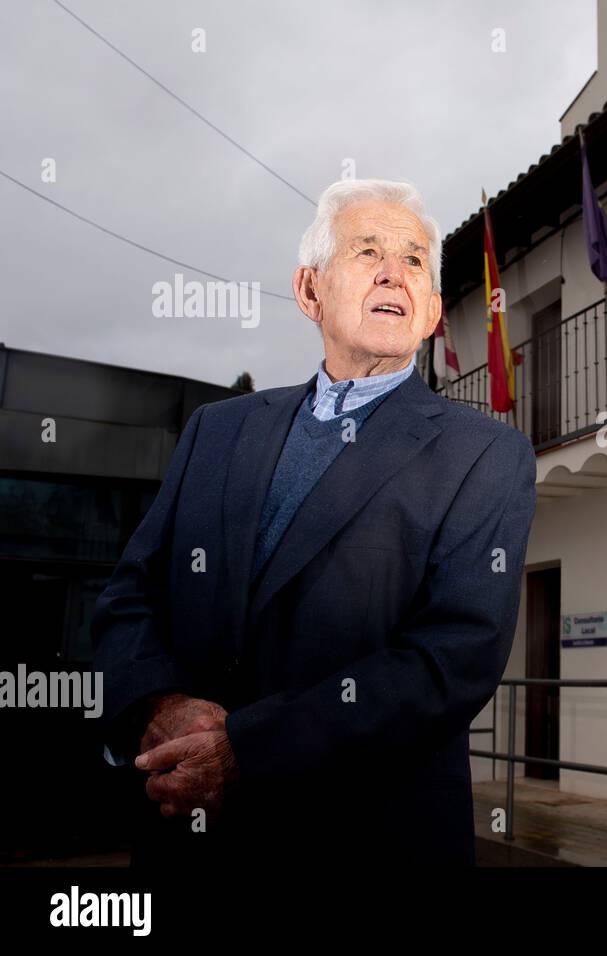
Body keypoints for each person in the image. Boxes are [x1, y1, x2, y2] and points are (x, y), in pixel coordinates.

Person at [91, 179, 536, 867]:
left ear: (432, 313)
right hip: (185, 836)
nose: (395, 270)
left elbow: (454, 656)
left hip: (366, 841)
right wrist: (158, 707)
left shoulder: (486, 454)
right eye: (367, 251)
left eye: (415, 259)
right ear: (309, 291)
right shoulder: (218, 429)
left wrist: (248, 748)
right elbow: (129, 596)